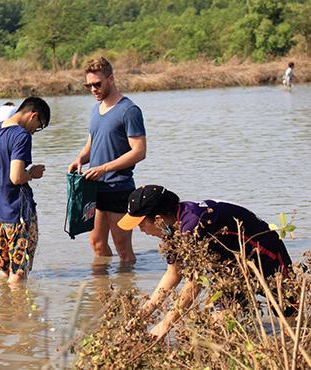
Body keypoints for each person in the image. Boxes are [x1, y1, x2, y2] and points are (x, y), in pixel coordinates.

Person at [117, 185, 293, 339]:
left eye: (141, 223)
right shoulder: (171, 230)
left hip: (266, 258)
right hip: (229, 269)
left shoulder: (194, 224)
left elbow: (194, 283)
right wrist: (142, 317)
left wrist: (165, 325)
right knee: (218, 326)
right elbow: (173, 274)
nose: (140, 230)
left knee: (291, 326)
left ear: (158, 219)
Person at [67, 56, 146, 263]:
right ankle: (103, 292)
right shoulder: (96, 109)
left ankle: (127, 289)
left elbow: (139, 151)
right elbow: (92, 143)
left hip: (119, 187)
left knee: (122, 247)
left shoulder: (129, 110)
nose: (93, 89)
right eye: (89, 85)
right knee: (97, 243)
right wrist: (80, 159)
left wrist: (104, 168)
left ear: (111, 79)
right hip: (95, 188)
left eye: (97, 84)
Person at [0, 97, 51, 285]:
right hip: (19, 216)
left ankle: (4, 311)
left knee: (4, 272)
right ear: (34, 116)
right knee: (18, 275)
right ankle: (16, 314)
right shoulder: (21, 136)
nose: (35, 131)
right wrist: (32, 173)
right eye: (39, 126)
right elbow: (16, 178)